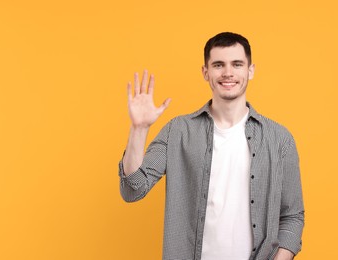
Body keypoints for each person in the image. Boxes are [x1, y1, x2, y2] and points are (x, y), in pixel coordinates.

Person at [118, 32, 304, 260]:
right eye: (218, 65)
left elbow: (292, 216)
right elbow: (132, 189)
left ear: (250, 70)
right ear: (205, 72)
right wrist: (139, 129)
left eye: (237, 64)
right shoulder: (178, 131)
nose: (228, 73)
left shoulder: (279, 139)